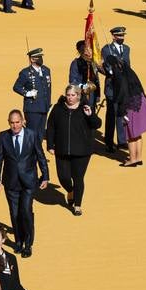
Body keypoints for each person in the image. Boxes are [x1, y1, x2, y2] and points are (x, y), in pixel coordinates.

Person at [0, 109, 49, 258]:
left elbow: (40, 156)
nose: (15, 125)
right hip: (11, 182)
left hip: (29, 181)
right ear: (8, 123)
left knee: (25, 211)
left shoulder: (32, 135)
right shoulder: (3, 136)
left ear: (23, 121)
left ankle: (28, 244)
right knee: (14, 213)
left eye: (17, 122)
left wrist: (45, 176)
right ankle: (18, 241)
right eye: (12, 123)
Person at [45, 84, 101, 216]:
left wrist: (90, 115)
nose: (70, 98)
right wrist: (50, 145)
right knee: (63, 177)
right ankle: (70, 191)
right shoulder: (58, 108)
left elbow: (97, 124)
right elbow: (51, 126)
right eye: (68, 95)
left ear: (78, 96)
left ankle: (77, 205)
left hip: (82, 151)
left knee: (78, 178)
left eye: (73, 95)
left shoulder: (85, 108)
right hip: (62, 149)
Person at [112, 61, 146, 167]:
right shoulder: (131, 75)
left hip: (131, 107)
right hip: (142, 102)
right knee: (138, 134)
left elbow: (123, 98)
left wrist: (122, 113)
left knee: (130, 135)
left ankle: (132, 160)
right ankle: (138, 158)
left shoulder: (121, 79)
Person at [101, 27, 131, 152]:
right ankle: (108, 141)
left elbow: (128, 65)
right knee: (111, 114)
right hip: (112, 86)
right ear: (113, 36)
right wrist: (113, 71)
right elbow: (106, 66)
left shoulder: (127, 49)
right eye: (119, 36)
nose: (121, 38)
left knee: (122, 112)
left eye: (123, 35)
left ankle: (122, 141)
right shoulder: (107, 49)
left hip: (123, 86)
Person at [13, 48, 52, 142]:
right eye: (38, 57)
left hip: (44, 107)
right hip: (32, 108)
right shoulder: (25, 73)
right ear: (32, 59)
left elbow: (48, 88)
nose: (41, 59)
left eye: (41, 57)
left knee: (40, 134)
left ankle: (37, 154)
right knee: (32, 133)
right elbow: (16, 87)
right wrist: (27, 93)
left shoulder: (46, 70)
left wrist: (48, 103)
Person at [68, 40, 101, 110]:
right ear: (80, 51)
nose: (88, 51)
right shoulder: (76, 63)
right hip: (81, 96)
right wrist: (83, 86)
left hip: (92, 96)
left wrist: (98, 94)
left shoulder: (93, 63)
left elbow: (96, 80)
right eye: (86, 49)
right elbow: (72, 81)